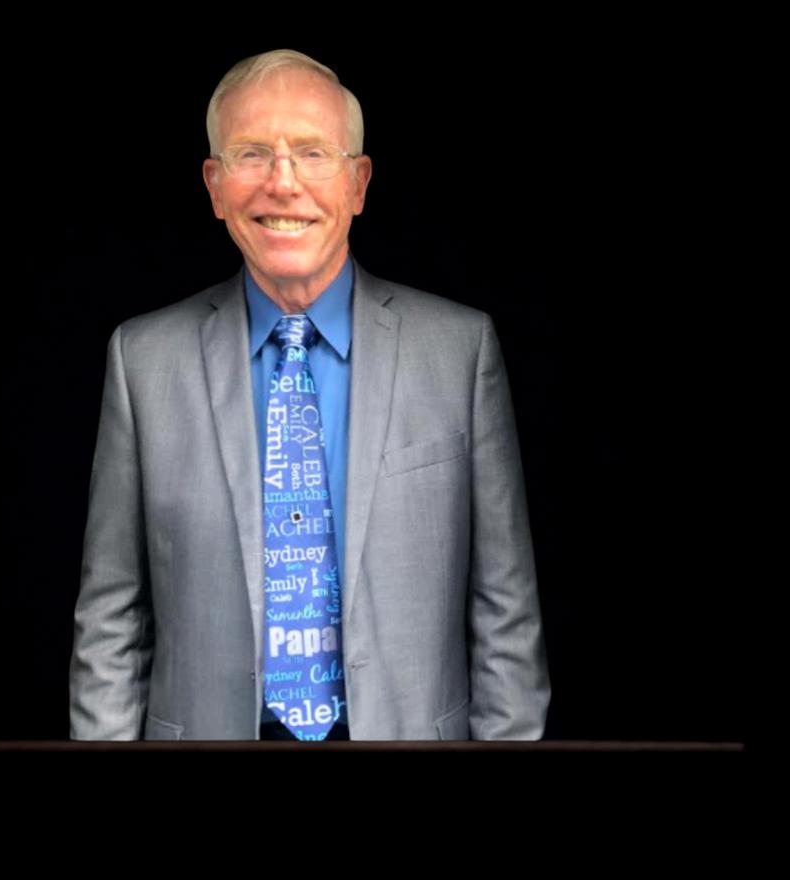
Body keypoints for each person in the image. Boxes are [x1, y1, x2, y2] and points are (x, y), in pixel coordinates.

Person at [68, 48, 550, 741]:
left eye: (313, 153)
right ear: (215, 186)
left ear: (358, 183)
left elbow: (506, 611)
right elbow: (111, 617)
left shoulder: (459, 353)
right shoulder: (143, 361)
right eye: (252, 154)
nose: (283, 183)